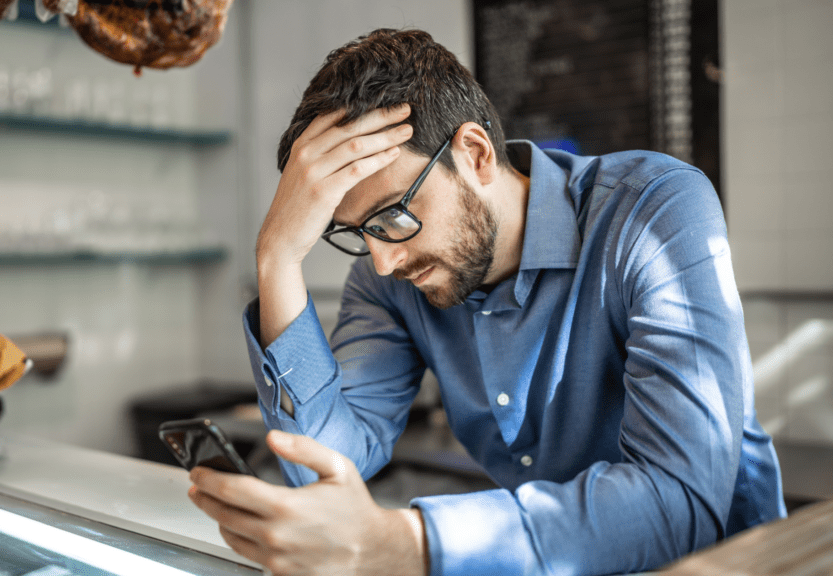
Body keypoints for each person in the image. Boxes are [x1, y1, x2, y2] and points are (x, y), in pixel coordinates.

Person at [187, 28, 786, 576]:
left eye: (393, 216)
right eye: (354, 231)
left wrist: (405, 542)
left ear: (474, 155)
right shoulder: (388, 271)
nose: (383, 261)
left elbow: (678, 501)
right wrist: (278, 258)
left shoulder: (654, 210)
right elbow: (320, 461)